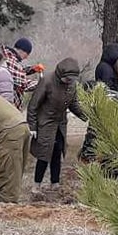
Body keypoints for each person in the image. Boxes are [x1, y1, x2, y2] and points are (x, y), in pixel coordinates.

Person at [28, 57, 80, 186]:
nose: (69, 81)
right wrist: (32, 126)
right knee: (44, 154)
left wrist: (89, 115)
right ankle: (37, 184)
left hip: (60, 123)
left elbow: (73, 104)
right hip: (46, 122)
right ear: (60, 74)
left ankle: (55, 183)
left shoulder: (72, 85)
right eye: (67, 79)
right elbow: (33, 105)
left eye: (71, 79)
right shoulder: (47, 81)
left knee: (57, 152)